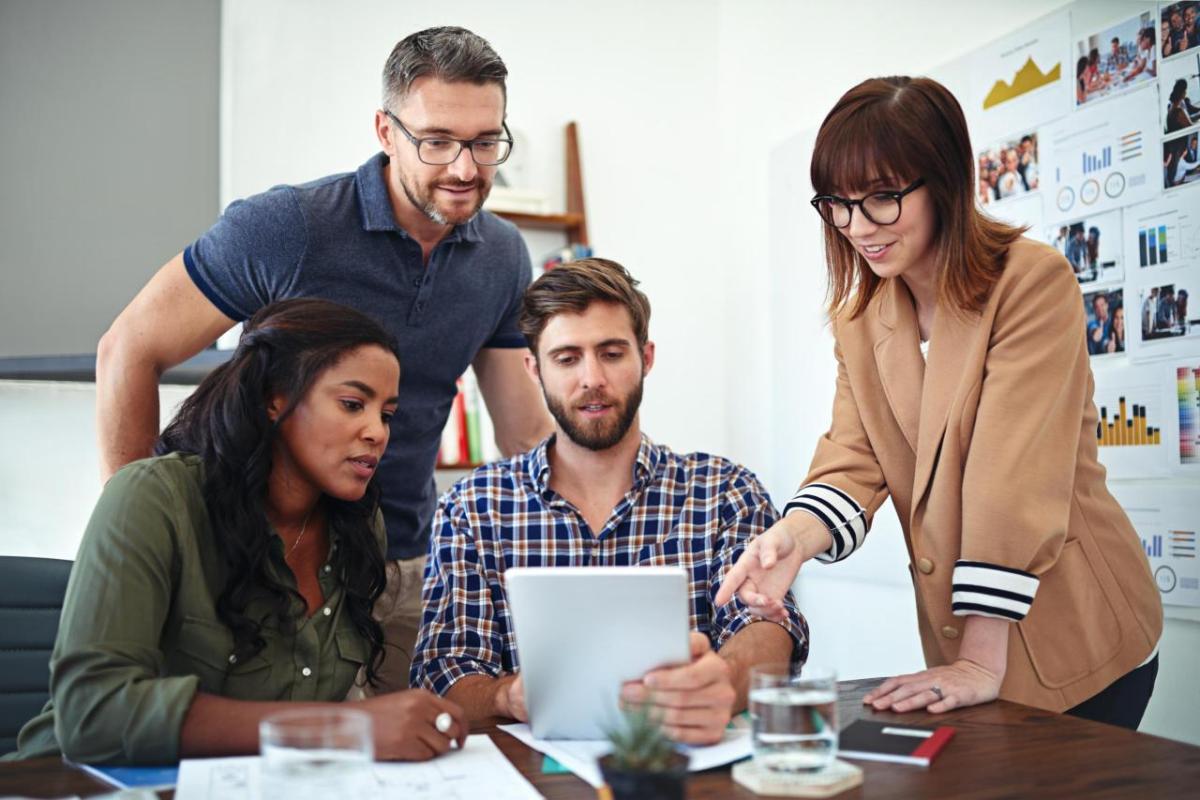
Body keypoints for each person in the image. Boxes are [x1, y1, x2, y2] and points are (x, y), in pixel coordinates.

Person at [93, 26, 552, 690]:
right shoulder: (289, 227)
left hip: (401, 563)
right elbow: (128, 349)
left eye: (485, 142)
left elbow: (525, 435)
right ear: (385, 130)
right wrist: (138, 542)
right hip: (259, 562)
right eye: (437, 141)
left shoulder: (503, 256)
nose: (464, 167)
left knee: (406, 763)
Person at [717, 76, 1162, 729]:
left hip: (1080, 632)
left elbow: (1010, 479)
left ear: (946, 181)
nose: (855, 227)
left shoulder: (1029, 282)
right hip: (970, 650)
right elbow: (853, 458)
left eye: (882, 199)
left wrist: (981, 659)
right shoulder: (862, 317)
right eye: (836, 203)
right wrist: (791, 539)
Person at [12, 300, 466, 764]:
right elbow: (93, 712)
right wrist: (346, 729)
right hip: (76, 784)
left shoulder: (359, 526)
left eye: (386, 413)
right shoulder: (156, 497)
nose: (377, 432)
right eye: (352, 404)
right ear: (273, 399)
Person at [410, 259, 808, 745]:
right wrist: (507, 696)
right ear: (533, 368)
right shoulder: (474, 506)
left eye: (612, 353)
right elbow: (442, 670)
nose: (592, 378)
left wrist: (722, 681)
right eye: (567, 358)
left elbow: (766, 624)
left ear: (647, 357)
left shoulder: (724, 489)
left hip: (684, 772)